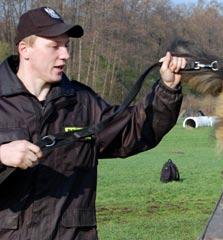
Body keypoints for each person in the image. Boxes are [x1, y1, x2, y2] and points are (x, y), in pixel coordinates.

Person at [0, 7, 186, 239]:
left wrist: (167, 90)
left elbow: (134, 131)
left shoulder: (82, 103)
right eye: (54, 46)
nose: (65, 54)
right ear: (25, 50)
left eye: (66, 45)